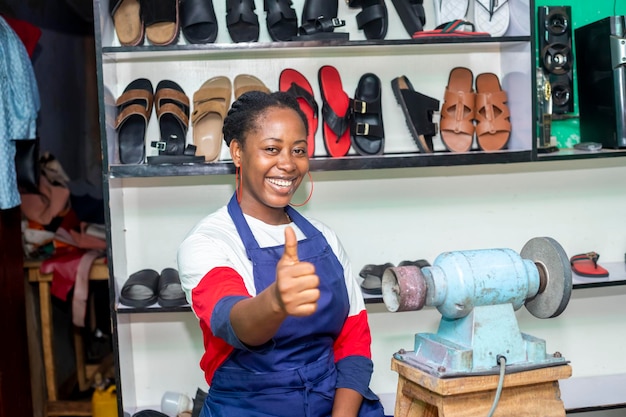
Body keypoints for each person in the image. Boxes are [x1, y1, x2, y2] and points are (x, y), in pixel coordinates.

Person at [177, 90, 385, 417]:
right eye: (271, 149)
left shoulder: (324, 237)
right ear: (237, 152)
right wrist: (276, 301)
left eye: (298, 150)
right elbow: (233, 322)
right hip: (247, 407)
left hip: (335, 403)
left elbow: (353, 339)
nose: (287, 163)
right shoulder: (208, 242)